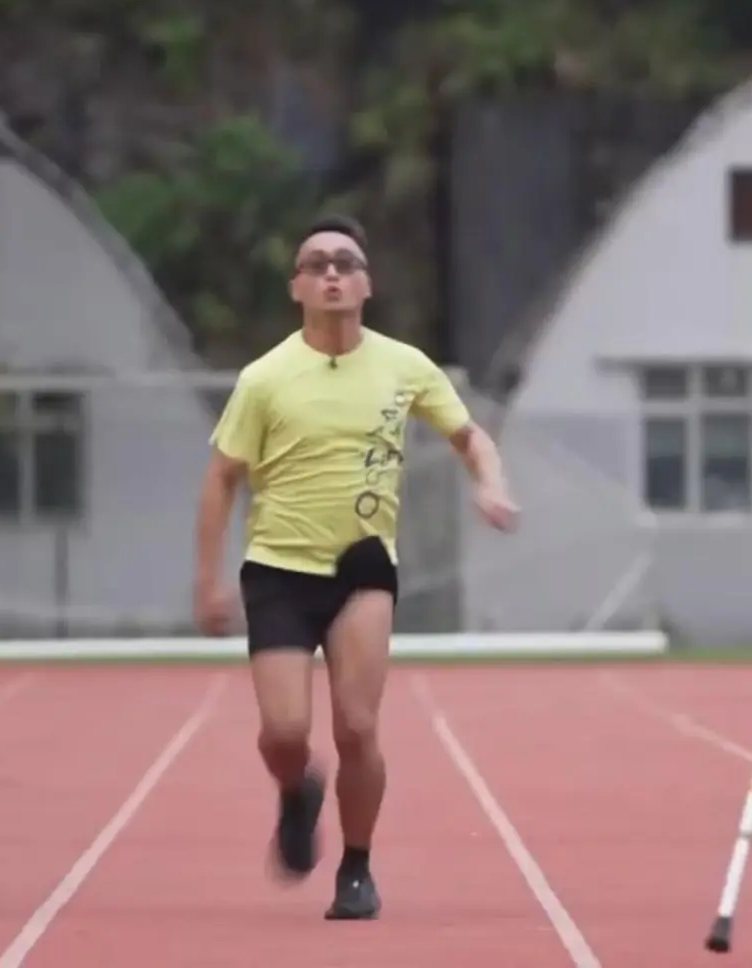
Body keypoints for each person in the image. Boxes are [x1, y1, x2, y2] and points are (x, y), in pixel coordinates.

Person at [192, 215, 518, 922]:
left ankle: (358, 868)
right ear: (297, 287)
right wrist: (208, 581)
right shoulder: (265, 378)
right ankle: (296, 792)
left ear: (367, 283)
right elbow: (221, 478)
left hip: (362, 568)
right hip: (277, 567)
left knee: (357, 726)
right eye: (316, 264)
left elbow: (469, 437)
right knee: (283, 735)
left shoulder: (405, 366)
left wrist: (488, 482)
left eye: (346, 262)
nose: (332, 273)